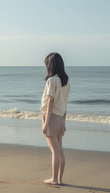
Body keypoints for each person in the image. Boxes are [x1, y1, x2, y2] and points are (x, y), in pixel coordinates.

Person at [41, 52, 70, 185]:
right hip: (60, 118)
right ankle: (59, 179)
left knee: (54, 150)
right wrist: (64, 121)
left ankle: (54, 179)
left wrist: (46, 123)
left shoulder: (51, 81)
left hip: (51, 118)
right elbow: (65, 103)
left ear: (51, 66)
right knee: (59, 150)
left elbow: (50, 102)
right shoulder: (65, 81)